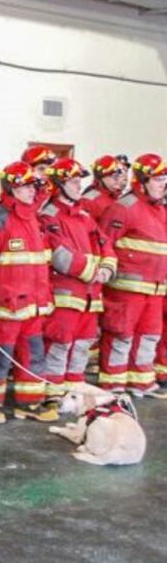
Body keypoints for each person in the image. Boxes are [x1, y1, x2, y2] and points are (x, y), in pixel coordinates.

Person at [0, 162, 56, 424]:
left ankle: (29, 403)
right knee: (0, 356)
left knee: (33, 355)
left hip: (33, 304)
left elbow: (39, 262)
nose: (32, 191)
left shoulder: (33, 217)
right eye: (25, 186)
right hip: (5, 304)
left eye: (33, 186)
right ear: (12, 187)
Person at [38, 158, 116, 405]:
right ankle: (53, 394)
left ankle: (74, 392)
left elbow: (106, 244)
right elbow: (61, 255)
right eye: (72, 181)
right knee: (60, 344)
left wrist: (106, 268)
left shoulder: (84, 215)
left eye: (78, 181)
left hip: (90, 296)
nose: (77, 186)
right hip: (66, 294)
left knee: (82, 345)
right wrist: (94, 271)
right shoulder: (49, 215)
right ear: (58, 184)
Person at [97, 154, 167, 396]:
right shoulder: (122, 208)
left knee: (149, 336)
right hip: (126, 290)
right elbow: (105, 244)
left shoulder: (159, 210)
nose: (163, 184)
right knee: (120, 336)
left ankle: (141, 381)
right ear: (143, 180)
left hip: (155, 289)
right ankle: (113, 384)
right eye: (158, 179)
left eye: (164, 179)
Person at [80, 154, 129, 222]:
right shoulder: (89, 200)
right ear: (101, 177)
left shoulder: (118, 196)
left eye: (118, 175)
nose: (117, 179)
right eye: (113, 176)